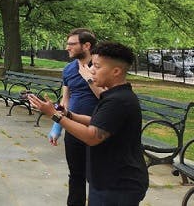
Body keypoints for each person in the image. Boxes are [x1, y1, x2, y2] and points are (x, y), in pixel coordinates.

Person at [29, 41, 149, 205]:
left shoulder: (118, 101)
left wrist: (54, 116)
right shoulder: (114, 96)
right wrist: (68, 114)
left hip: (118, 184)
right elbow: (98, 123)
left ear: (116, 71)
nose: (91, 70)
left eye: (97, 67)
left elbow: (92, 136)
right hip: (108, 180)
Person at [48, 28, 100, 206]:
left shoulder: (100, 67)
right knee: (76, 175)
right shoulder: (69, 69)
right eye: (67, 43)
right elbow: (66, 99)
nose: (67, 47)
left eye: (72, 44)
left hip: (96, 129)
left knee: (96, 177)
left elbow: (107, 97)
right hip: (73, 129)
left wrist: (89, 78)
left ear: (87, 45)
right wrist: (57, 126)